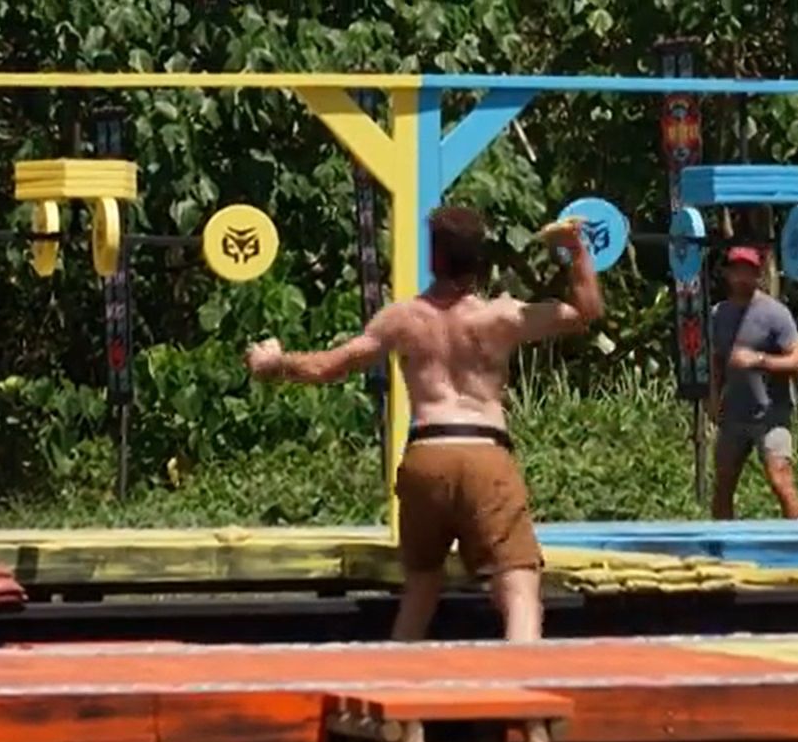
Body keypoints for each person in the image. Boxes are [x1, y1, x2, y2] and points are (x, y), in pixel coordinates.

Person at [244, 206, 603, 642]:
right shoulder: (501, 317)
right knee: (518, 584)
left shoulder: (401, 319)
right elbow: (586, 312)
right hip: (484, 452)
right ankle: (523, 675)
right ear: (478, 259)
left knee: (420, 586)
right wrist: (575, 252)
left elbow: (328, 366)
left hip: (427, 453)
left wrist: (276, 362)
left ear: (434, 258)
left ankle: (399, 676)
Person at [709, 245, 798, 520]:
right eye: (738, 270)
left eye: (749, 271)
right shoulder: (718, 314)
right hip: (734, 413)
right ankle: (722, 540)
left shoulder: (775, 314)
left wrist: (759, 360)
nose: (743, 277)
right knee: (724, 481)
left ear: (758, 275)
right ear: (728, 274)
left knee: (780, 479)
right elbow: (716, 360)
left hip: (771, 414)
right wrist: (713, 398)